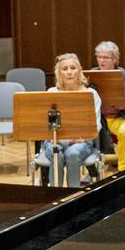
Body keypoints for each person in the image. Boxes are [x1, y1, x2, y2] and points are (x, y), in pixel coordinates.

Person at [42, 53, 100, 188]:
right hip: (55, 139)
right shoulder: (51, 92)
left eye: (73, 68)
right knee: (56, 153)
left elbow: (96, 125)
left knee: (72, 153)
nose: (69, 72)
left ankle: (72, 196)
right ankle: (55, 197)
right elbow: (44, 123)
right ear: (59, 73)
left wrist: (82, 137)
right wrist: (52, 137)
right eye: (65, 69)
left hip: (82, 141)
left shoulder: (91, 94)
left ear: (79, 70)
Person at [94, 40, 125, 172]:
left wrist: (119, 103)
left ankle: (124, 169)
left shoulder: (123, 75)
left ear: (115, 59)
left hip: (118, 117)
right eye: (99, 57)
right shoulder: (92, 74)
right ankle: (93, 169)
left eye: (105, 57)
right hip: (97, 118)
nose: (101, 60)